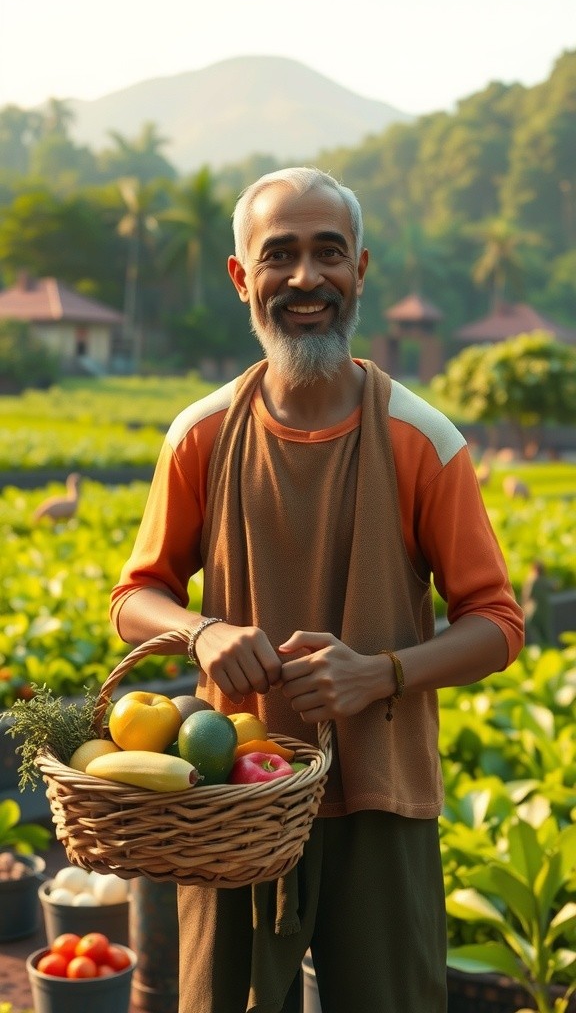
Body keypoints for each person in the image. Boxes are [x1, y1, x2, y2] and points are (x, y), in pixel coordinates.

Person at [110, 167, 524, 1013]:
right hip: (227, 800)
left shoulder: (421, 439)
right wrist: (201, 633)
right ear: (240, 277)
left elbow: (497, 624)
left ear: (360, 270)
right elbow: (135, 596)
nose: (306, 278)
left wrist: (384, 673)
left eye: (328, 253)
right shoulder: (201, 436)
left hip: (383, 796)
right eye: (280, 255)